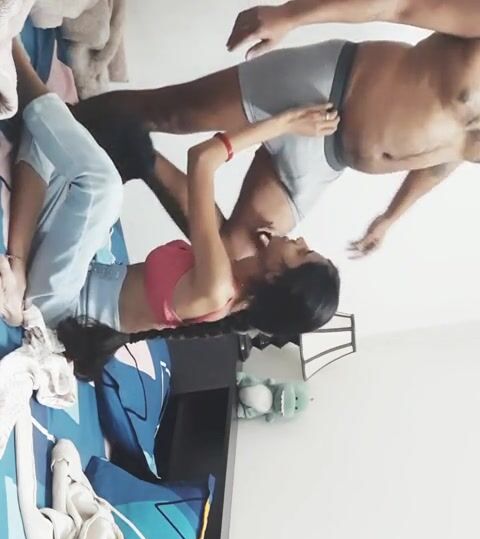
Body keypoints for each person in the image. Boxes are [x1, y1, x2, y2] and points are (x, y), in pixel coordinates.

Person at [0, 41, 340, 381]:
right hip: (65, 276)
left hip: (57, 304)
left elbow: (202, 159)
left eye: (302, 252)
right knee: (59, 137)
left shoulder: (217, 285)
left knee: (103, 187)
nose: (301, 241)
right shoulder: (234, 273)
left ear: (276, 276)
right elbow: (197, 202)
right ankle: (21, 265)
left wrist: (285, 123)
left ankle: (11, 47)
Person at [71, 0, 480, 257]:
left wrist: (391, 217)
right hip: (325, 86)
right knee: (169, 113)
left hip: (327, 157)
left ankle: (133, 152)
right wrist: (290, 16)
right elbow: (398, 6)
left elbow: (447, 159)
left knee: (238, 257)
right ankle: (59, 122)